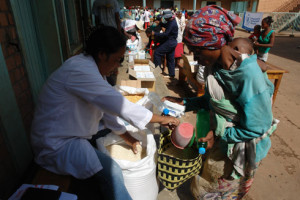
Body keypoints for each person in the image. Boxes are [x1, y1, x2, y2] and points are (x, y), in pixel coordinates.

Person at [30, 26, 180, 200]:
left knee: (103, 146)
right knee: (113, 171)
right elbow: (118, 105)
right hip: (56, 144)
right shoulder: (80, 71)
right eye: (117, 60)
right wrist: (161, 119)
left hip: (69, 134)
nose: (118, 67)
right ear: (102, 54)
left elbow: (107, 111)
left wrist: (130, 139)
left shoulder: (90, 68)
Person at [162, 5, 277, 199]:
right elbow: (210, 101)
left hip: (239, 146)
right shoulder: (214, 68)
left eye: (198, 51)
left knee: (222, 191)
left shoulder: (248, 76)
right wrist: (184, 102)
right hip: (223, 139)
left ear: (214, 44)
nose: (195, 57)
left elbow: (257, 127)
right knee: (208, 184)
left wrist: (219, 134)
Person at [152, 10, 178, 78]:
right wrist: (160, 23)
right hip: (173, 42)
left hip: (170, 42)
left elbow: (166, 34)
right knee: (170, 58)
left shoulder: (172, 23)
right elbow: (166, 25)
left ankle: (158, 71)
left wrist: (155, 33)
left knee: (157, 52)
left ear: (167, 17)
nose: (164, 19)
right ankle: (172, 74)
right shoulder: (171, 21)